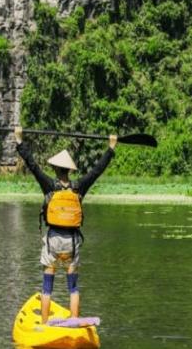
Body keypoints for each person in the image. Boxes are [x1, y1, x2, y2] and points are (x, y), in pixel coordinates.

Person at [14, 126, 118, 324]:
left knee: (47, 286)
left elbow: (32, 165)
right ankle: (74, 320)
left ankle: (44, 325)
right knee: (73, 287)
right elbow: (96, 171)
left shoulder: (49, 186)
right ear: (70, 170)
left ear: (54, 169)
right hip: (71, 242)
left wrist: (19, 141)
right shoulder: (79, 187)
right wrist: (111, 148)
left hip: (53, 240)